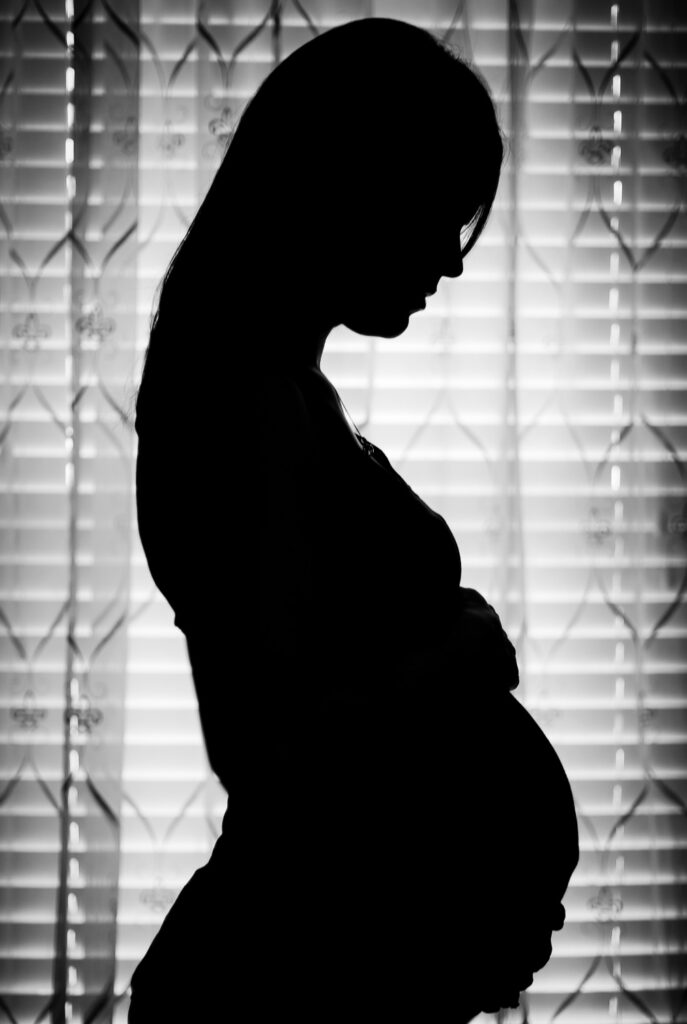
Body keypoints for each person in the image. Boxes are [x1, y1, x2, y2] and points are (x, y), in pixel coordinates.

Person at [129, 17, 579, 1021]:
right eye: (438, 210)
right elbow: (272, 755)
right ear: (350, 187)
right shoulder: (245, 405)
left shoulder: (283, 391)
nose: (450, 261)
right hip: (284, 981)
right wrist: (459, 653)